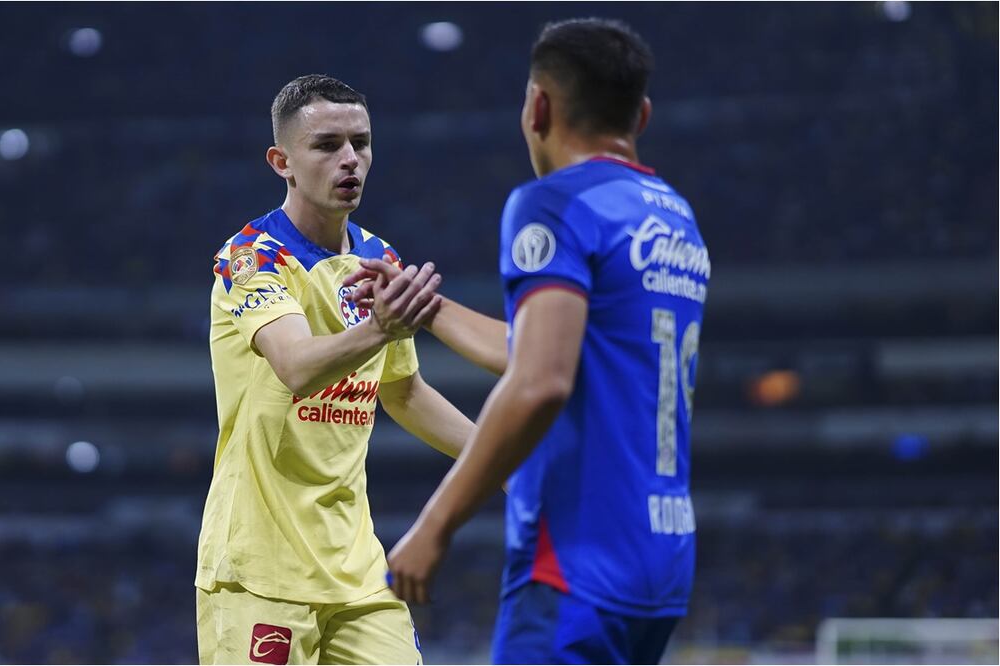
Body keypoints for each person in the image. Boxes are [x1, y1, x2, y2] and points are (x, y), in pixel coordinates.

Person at [346, 18, 710, 664]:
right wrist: (428, 309)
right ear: (642, 115)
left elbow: (540, 380)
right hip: (662, 553)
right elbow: (545, 347)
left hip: (576, 558)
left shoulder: (553, 203)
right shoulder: (673, 217)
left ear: (537, 107)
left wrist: (436, 523)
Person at [195, 74, 476, 665]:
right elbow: (296, 366)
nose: (350, 159)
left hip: (357, 572)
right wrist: (379, 329)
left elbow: (404, 393)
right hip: (260, 569)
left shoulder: (378, 258)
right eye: (327, 145)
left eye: (361, 143)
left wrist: (504, 463)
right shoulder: (251, 258)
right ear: (282, 163)